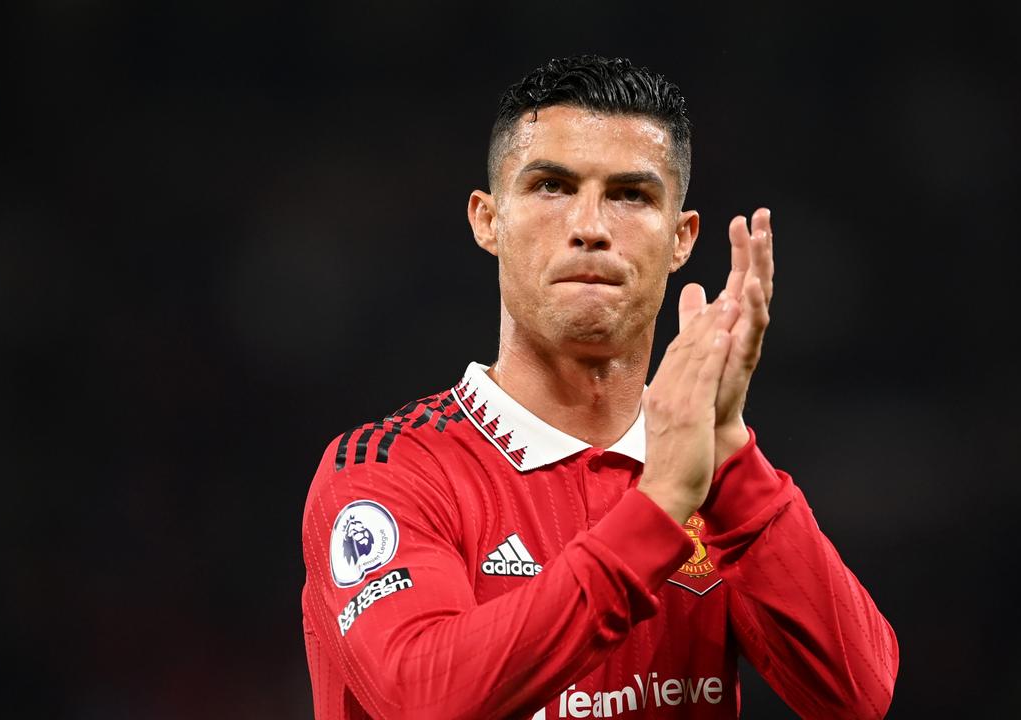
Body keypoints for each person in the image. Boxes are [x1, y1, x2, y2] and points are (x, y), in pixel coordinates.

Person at [301, 55, 898, 719]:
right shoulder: (386, 474)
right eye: (552, 186)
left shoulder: (709, 474)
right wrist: (657, 509)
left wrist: (732, 456)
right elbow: (425, 699)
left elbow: (857, 697)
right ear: (487, 220)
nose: (589, 226)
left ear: (681, 238)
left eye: (630, 195)